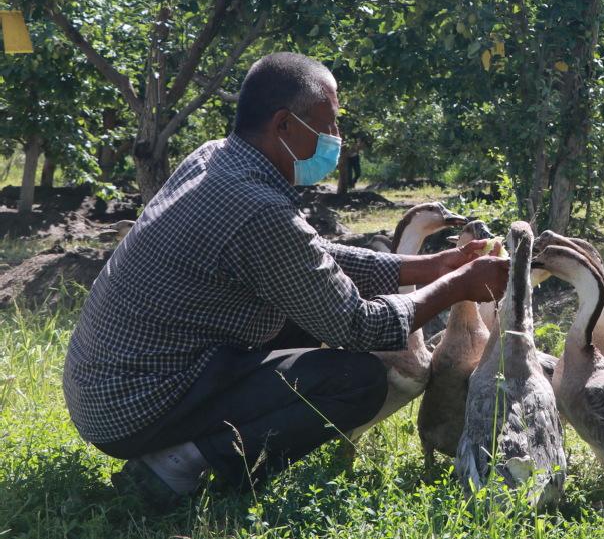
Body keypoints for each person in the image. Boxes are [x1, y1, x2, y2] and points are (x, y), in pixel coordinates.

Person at [61, 52, 509, 505]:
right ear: (283, 125)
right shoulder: (260, 209)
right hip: (134, 407)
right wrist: (459, 286)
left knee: (308, 318)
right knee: (358, 380)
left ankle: (196, 443)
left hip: (105, 385)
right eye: (329, 124)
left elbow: (310, 259)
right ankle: (179, 463)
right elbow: (356, 325)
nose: (337, 138)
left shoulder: (214, 159)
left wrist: (432, 266)